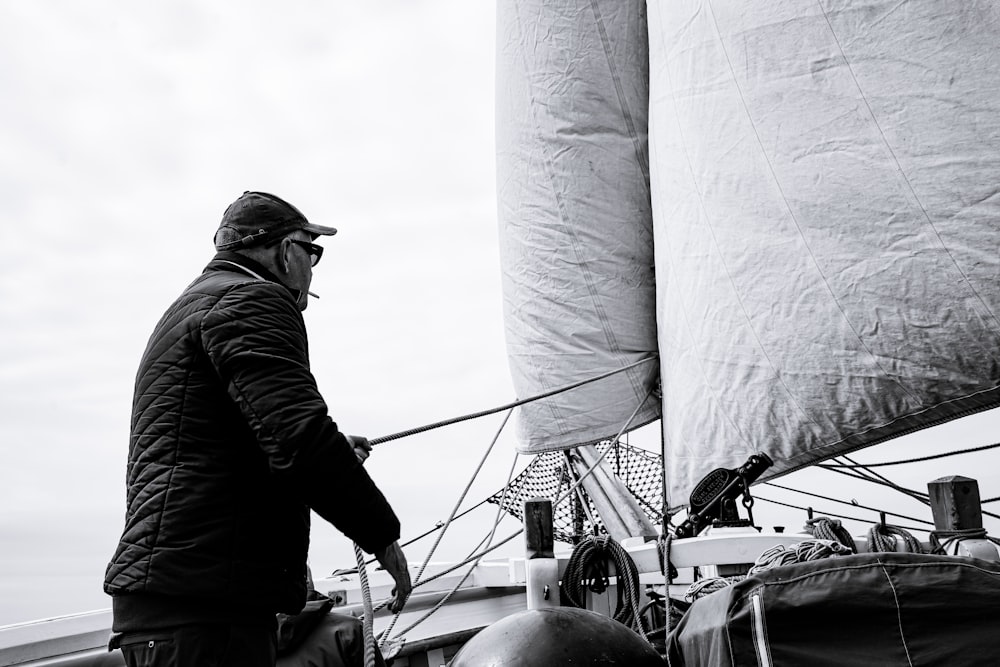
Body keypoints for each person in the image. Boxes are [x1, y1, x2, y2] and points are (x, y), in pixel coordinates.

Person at [104, 191, 411, 666]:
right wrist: (383, 539)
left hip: (174, 601)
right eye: (312, 252)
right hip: (207, 609)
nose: (312, 266)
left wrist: (332, 446)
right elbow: (299, 441)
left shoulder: (192, 305)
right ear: (287, 251)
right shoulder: (252, 298)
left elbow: (241, 436)